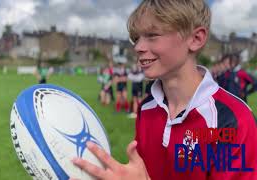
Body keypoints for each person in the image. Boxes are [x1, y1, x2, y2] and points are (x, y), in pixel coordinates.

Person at [71, 0, 257, 179]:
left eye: (152, 35)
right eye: (136, 39)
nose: (138, 47)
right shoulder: (146, 108)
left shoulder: (233, 120)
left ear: (196, 38)